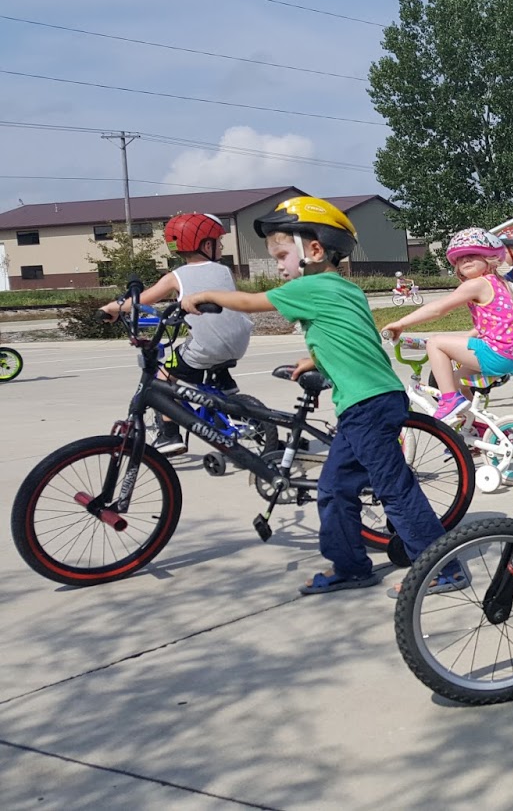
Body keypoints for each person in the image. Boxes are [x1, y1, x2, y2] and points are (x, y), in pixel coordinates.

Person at [181, 196, 464, 596]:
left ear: (314, 250)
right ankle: (350, 567)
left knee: (393, 488)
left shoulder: (310, 286)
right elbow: (352, 337)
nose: (279, 266)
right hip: (369, 402)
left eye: (282, 255)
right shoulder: (346, 290)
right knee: (334, 488)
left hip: (366, 405)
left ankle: (443, 567)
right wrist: (313, 359)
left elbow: (249, 303)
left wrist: (204, 295)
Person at [99, 212, 253, 455]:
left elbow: (140, 301)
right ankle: (223, 384)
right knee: (203, 347)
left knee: (162, 380)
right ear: (206, 245)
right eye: (219, 242)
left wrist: (111, 308)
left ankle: (170, 435)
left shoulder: (176, 276)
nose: (221, 247)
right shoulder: (225, 271)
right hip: (240, 341)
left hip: (208, 348)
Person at [380, 227, 513, 424]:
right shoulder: (499, 283)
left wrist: (400, 324)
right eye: (460, 258)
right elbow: (496, 322)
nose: (465, 260)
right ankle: (472, 425)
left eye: (472, 255)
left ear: (490, 258)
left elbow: (438, 309)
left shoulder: (477, 284)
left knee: (435, 343)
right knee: (455, 381)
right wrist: (466, 338)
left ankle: (449, 401)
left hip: (496, 354)